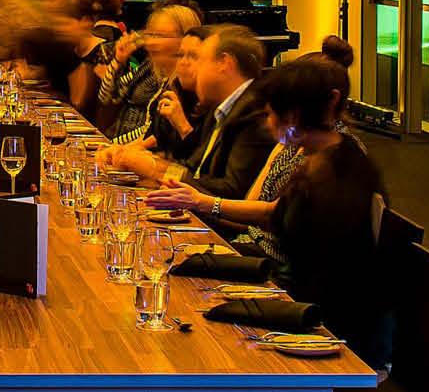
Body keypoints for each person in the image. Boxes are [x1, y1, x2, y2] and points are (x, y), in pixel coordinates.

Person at [145, 48, 392, 366]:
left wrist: (256, 303)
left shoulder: (344, 170)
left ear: (318, 108)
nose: (272, 122)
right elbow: (274, 213)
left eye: (281, 114)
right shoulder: (316, 155)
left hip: (328, 331)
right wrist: (200, 202)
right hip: (299, 302)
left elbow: (330, 282)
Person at [104, 24, 273, 198]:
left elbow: (232, 192)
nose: (192, 68)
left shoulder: (255, 112)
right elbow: (193, 168)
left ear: (224, 63)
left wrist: (156, 170)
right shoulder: (221, 107)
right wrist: (145, 162)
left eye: (199, 59)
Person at [232, 36, 358, 266]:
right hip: (266, 256)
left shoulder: (335, 161)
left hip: (287, 276)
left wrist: (204, 203)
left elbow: (277, 223)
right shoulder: (300, 145)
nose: (269, 123)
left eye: (276, 113)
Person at [97, 3, 201, 139]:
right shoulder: (150, 66)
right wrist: (118, 60)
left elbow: (153, 134)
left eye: (160, 36)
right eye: (150, 35)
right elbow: (107, 97)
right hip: (123, 146)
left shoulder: (186, 83)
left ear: (185, 39)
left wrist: (114, 145)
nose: (151, 42)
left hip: (139, 153)